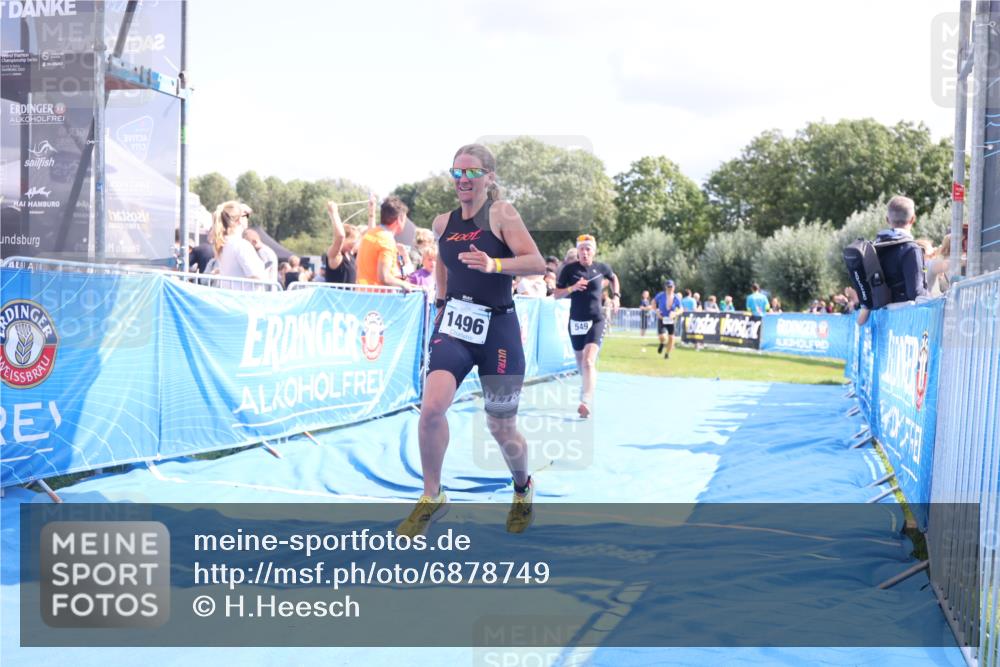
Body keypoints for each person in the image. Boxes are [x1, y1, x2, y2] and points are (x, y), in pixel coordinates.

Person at [397, 143, 545, 538]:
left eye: (472, 172)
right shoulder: (443, 222)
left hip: (498, 330)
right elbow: (443, 262)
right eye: (457, 173)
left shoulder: (502, 214)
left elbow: (536, 262)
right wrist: (442, 303)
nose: (463, 180)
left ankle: (522, 486)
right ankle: (432, 495)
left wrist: (495, 264)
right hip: (456, 326)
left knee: (501, 428)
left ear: (489, 177)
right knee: (431, 410)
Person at [553, 234, 619, 418]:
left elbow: (614, 278)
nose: (584, 252)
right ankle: (586, 388)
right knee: (581, 363)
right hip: (576, 322)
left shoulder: (601, 268)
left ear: (593, 251)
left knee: (589, 361)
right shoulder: (568, 270)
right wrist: (572, 288)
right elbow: (556, 294)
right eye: (581, 249)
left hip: (596, 320)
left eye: (588, 249)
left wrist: (616, 297)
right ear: (578, 251)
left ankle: (586, 401)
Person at [856, 196, 929, 325]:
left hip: (881, 322)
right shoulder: (911, 249)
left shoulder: (874, 249)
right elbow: (916, 293)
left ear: (887, 219)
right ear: (913, 219)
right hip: (905, 324)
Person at [356, 196, 417, 292]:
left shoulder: (371, 233)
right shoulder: (386, 240)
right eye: (405, 219)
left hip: (363, 294)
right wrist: (404, 284)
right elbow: (384, 277)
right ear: (399, 219)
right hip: (378, 300)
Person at [212, 201, 265, 290]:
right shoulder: (241, 245)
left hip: (232, 298)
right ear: (239, 220)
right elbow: (257, 276)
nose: (248, 218)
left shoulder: (222, 244)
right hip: (245, 300)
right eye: (246, 215)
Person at [325, 198, 370, 284]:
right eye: (352, 242)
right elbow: (340, 236)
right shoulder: (335, 255)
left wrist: (372, 212)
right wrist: (333, 213)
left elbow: (369, 235)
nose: (354, 245)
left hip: (350, 296)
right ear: (345, 239)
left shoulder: (350, 254)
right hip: (337, 297)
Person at [652, 279, 683, 359]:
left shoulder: (676, 298)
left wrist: (675, 313)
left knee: (671, 338)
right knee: (663, 337)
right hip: (662, 318)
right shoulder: (661, 295)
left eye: (671, 287)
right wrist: (656, 311)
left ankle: (667, 354)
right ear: (665, 287)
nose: (670, 288)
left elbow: (681, 309)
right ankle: (662, 343)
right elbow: (653, 302)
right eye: (668, 287)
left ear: (674, 287)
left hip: (671, 320)